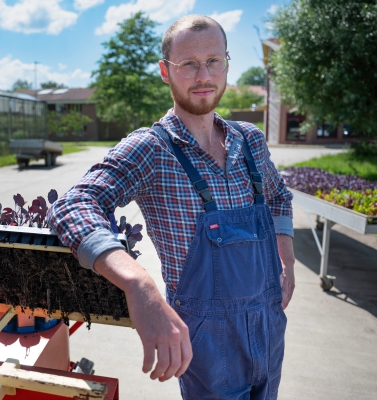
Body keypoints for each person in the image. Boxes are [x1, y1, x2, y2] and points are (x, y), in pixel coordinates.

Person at [48, 14, 295, 400]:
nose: (203, 75)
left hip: (268, 327)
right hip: (208, 345)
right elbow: (74, 205)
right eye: (188, 64)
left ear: (227, 63)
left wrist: (287, 261)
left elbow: (279, 196)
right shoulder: (152, 149)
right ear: (165, 71)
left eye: (214, 60)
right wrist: (139, 285)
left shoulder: (251, 141)